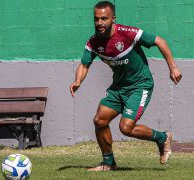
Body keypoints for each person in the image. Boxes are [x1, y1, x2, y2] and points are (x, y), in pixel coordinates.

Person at [70, 1, 182, 171]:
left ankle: (162, 137)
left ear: (113, 19)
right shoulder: (93, 43)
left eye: (104, 19)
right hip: (118, 87)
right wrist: (78, 81)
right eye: (96, 19)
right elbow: (84, 64)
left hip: (140, 85)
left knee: (126, 127)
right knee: (99, 120)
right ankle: (108, 163)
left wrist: (173, 67)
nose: (99, 23)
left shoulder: (128, 33)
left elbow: (160, 41)